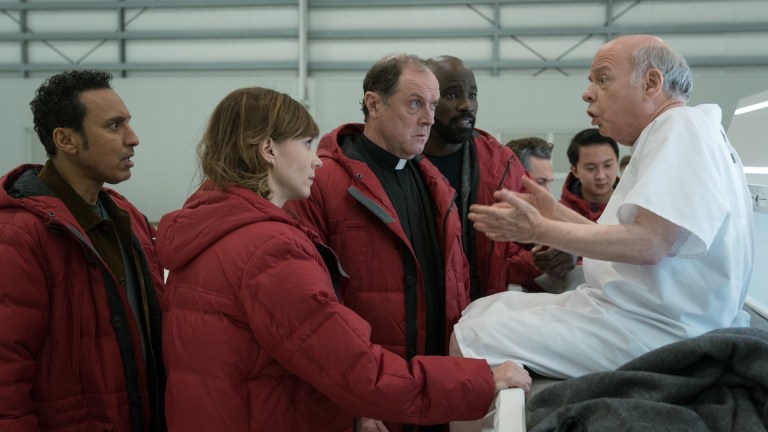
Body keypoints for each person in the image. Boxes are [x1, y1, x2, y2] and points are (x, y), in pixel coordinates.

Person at [158, 87, 530, 432]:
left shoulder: (208, 231)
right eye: (305, 144)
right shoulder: (268, 249)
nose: (316, 161)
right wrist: (480, 380)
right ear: (268, 150)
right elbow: (360, 371)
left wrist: (351, 408)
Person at [453, 35, 754, 382]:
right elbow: (632, 241)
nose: (588, 92)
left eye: (603, 78)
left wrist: (538, 229)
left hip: (659, 330)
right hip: (648, 317)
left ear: (651, 83)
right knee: (483, 309)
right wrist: (554, 212)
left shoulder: (679, 127)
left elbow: (650, 244)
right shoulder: (680, 132)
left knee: (470, 336)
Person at [285, 54, 529, 431]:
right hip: (371, 404)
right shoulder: (323, 187)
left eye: (432, 105)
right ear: (374, 103)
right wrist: (356, 405)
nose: (429, 118)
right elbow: (316, 316)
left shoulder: (437, 188)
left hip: (433, 396)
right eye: (415, 103)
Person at [0, 70, 166, 431]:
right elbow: (6, 370)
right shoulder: (20, 234)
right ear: (66, 140)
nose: (133, 139)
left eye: (128, 123)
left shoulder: (129, 218)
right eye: (113, 126)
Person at [422, 55, 533, 298]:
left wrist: (552, 255)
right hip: (419, 311)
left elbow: (534, 237)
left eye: (472, 95)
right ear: (425, 101)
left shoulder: (503, 164)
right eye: (452, 95)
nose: (467, 105)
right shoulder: (400, 160)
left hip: (481, 312)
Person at [560, 128, 620, 222]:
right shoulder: (559, 214)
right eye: (590, 168)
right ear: (575, 171)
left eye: (607, 165)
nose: (601, 176)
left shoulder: (636, 207)